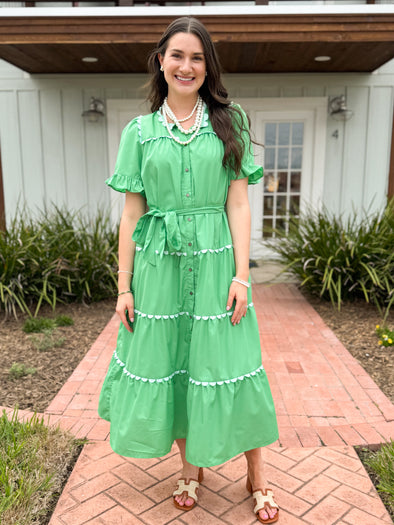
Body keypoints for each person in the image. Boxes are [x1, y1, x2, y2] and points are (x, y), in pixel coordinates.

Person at [98, 16, 279, 524]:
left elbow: (238, 206)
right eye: (177, 55)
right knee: (179, 367)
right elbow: (131, 213)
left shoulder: (230, 120)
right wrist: (124, 287)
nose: (187, 65)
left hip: (216, 261)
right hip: (159, 269)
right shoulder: (139, 132)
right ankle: (190, 468)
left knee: (230, 364)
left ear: (207, 66)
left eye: (197, 57)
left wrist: (242, 276)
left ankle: (256, 475)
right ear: (161, 61)